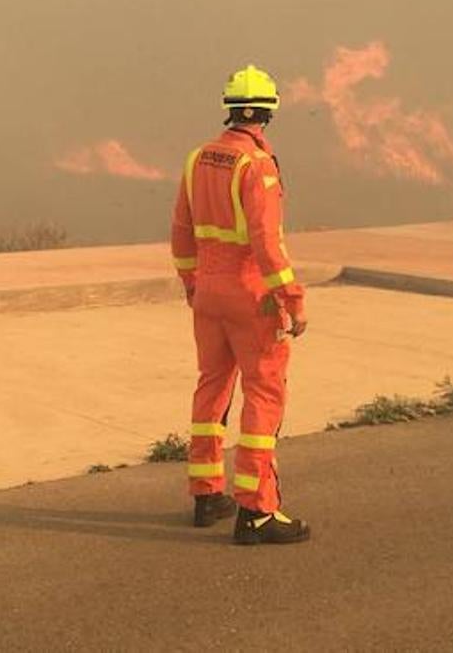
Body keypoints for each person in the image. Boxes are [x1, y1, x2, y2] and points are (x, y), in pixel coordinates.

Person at [170, 64, 311, 545]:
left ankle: (206, 493)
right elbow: (266, 242)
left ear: (229, 108)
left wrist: (192, 284)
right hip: (251, 296)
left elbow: (181, 233)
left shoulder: (197, 159)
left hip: (207, 294)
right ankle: (256, 511)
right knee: (264, 393)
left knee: (212, 390)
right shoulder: (258, 167)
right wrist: (292, 298)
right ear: (269, 112)